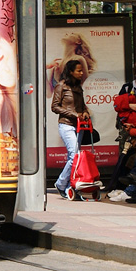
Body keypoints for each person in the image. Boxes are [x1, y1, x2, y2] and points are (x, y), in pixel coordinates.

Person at [107, 60, 136, 192]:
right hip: (127, 125)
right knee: (124, 154)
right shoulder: (127, 88)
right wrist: (129, 105)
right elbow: (117, 104)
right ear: (135, 73)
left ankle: (133, 184)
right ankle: (120, 185)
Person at [50, 57, 89, 200]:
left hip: (79, 126)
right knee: (74, 156)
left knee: (73, 157)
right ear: (71, 72)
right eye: (78, 71)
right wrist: (74, 114)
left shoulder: (78, 87)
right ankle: (61, 183)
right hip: (66, 124)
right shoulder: (61, 86)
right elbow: (54, 107)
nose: (81, 73)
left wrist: (85, 112)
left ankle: (69, 187)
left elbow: (82, 105)